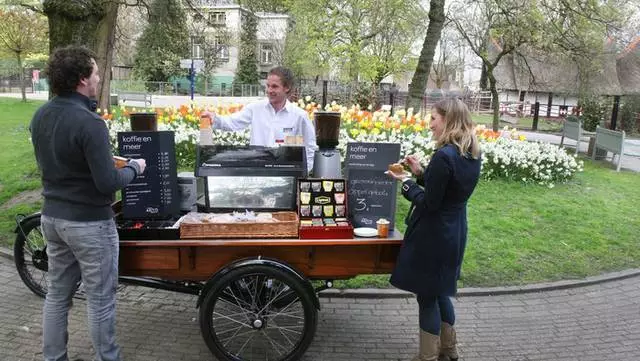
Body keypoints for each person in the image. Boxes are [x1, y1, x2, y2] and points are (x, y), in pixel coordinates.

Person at [30, 45, 146, 361]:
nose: (98, 78)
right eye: (95, 73)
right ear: (82, 79)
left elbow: (63, 161)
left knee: (57, 294)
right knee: (100, 299)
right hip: (89, 223)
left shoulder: (41, 115)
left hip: (52, 218)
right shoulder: (89, 122)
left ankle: (54, 357)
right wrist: (134, 167)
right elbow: (107, 182)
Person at [387, 98, 481, 361]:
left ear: (447, 120)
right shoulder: (470, 153)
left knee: (427, 296)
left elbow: (429, 203)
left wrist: (406, 182)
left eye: (433, 119)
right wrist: (420, 172)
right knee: (441, 291)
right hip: (455, 230)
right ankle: (449, 351)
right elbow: (446, 190)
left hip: (433, 235)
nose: (430, 125)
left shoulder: (444, 155)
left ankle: (427, 356)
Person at [201, 66, 317, 171]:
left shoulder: (299, 116)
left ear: (286, 88)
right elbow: (232, 122)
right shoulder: (255, 108)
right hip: (257, 171)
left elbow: (309, 146)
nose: (269, 90)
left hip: (286, 174)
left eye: (274, 86)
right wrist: (214, 118)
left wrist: (304, 171)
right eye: (268, 86)